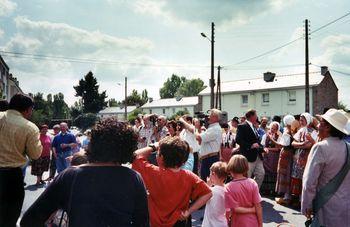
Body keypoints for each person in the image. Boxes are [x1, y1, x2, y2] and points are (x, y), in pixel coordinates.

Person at [21, 118, 149, 227]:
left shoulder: (70, 176)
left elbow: (29, 220)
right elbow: (142, 223)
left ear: (93, 143)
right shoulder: (133, 178)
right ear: (128, 148)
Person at [132, 136, 212, 227]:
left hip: (155, 223)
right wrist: (188, 212)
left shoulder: (153, 172)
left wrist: (154, 146)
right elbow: (208, 193)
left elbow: (134, 155)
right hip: (179, 222)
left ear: (162, 157)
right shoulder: (189, 176)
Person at [302, 109, 350, 227]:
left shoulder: (320, 147)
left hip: (325, 205)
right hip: (345, 205)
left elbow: (309, 181)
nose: (317, 125)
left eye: (321, 122)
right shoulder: (348, 147)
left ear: (328, 127)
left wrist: (307, 205)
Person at [0, 93, 42, 227]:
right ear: (27, 109)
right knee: (9, 218)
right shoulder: (30, 127)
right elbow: (35, 155)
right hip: (12, 178)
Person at [225, 155, 263, 227]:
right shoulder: (252, 183)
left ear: (230, 168)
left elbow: (232, 210)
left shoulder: (228, 187)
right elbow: (258, 206)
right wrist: (260, 224)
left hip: (238, 223)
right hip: (253, 222)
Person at [291, 112, 316, 207]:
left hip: (307, 157)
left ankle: (304, 200)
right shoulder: (301, 130)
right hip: (299, 157)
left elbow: (309, 145)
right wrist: (301, 144)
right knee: (297, 178)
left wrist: (300, 145)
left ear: (308, 120)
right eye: (300, 120)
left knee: (305, 178)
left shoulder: (313, 131)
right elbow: (293, 143)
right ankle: (297, 199)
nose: (300, 122)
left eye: (302, 120)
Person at [236, 109, 265, 188]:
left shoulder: (254, 126)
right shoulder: (242, 126)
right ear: (251, 116)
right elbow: (238, 140)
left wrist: (263, 149)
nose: (257, 117)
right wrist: (250, 146)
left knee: (261, 174)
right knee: (246, 177)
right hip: (248, 156)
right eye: (255, 115)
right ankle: (246, 194)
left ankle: (253, 191)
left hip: (257, 156)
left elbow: (257, 142)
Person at [196, 109, 222, 181]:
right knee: (206, 182)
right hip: (207, 159)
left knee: (209, 183)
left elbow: (198, 138)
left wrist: (193, 129)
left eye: (210, 116)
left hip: (210, 159)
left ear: (216, 118)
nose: (208, 117)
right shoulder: (212, 128)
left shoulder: (215, 129)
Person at [275, 115, 296, 205]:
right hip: (291, 154)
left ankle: (286, 196)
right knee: (288, 173)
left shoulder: (287, 132)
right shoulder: (293, 130)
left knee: (285, 173)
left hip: (286, 154)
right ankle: (287, 195)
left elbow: (283, 144)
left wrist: (273, 140)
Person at [202, 161, 228, 227]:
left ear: (213, 174)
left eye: (210, 173)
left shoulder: (211, 190)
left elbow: (202, 199)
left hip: (210, 224)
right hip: (222, 223)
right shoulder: (227, 190)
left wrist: (207, 186)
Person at [260, 121, 281, 195]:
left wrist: (268, 149)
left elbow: (278, 148)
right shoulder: (265, 135)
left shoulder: (279, 136)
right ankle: (265, 189)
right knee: (265, 172)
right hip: (266, 156)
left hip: (274, 157)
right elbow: (263, 146)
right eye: (272, 128)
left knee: (273, 173)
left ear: (277, 129)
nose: (272, 130)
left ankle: (273, 190)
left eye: (275, 129)